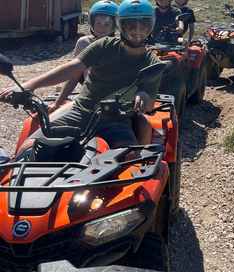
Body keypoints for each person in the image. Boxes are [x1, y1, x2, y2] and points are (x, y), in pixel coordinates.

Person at [0, 0, 162, 157]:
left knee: (130, 158)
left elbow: (150, 99)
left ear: (150, 26)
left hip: (117, 121)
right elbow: (72, 68)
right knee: (28, 148)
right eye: (130, 25)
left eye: (143, 25)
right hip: (82, 112)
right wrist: (31, 84)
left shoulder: (152, 61)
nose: (136, 30)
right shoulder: (104, 46)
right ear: (120, 25)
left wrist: (144, 96)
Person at [48, 0, 118, 115]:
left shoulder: (120, 46)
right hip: (89, 98)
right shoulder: (84, 42)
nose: (101, 29)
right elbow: (74, 75)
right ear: (92, 23)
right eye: (98, 23)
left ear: (115, 25)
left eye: (107, 24)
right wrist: (57, 103)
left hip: (113, 100)